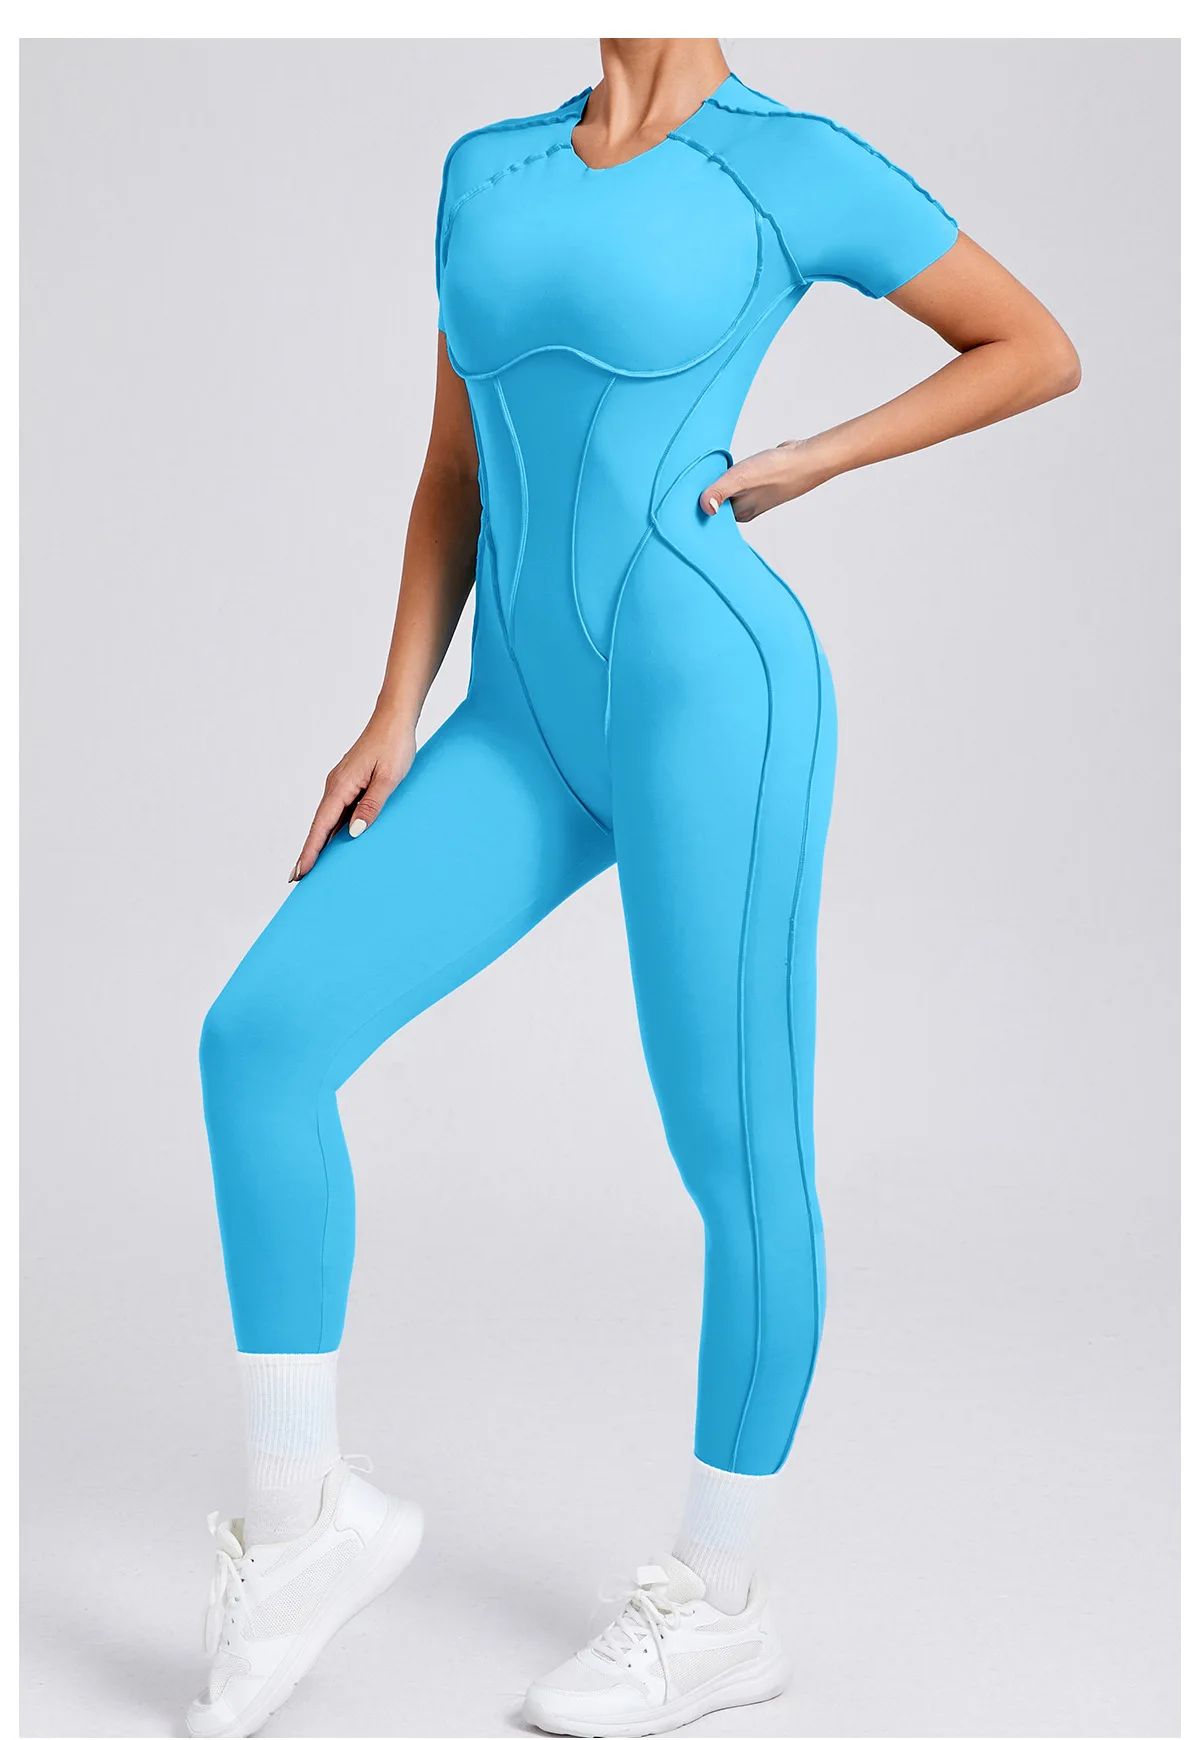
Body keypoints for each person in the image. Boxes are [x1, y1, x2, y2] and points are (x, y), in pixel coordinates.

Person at [187, 36, 1080, 1740]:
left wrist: (817, 455)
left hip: (707, 694)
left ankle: (720, 1602)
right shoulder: (485, 168)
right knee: (259, 1044)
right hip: (515, 721)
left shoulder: (787, 161)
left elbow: (1033, 346)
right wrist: (394, 709)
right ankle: (302, 1528)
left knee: (735, 1152)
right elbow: (455, 468)